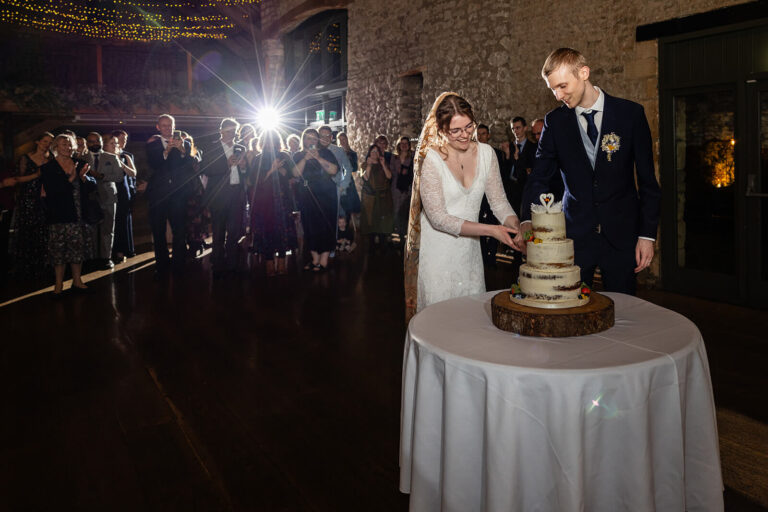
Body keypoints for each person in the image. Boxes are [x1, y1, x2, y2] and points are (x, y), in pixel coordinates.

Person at [514, 48, 661, 295]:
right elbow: (539, 175)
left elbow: (648, 182)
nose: (558, 96)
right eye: (553, 89)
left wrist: (647, 235)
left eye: (562, 86)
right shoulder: (555, 122)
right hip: (575, 237)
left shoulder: (630, 114)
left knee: (623, 308)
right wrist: (527, 219)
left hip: (622, 235)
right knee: (571, 306)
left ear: (584, 73)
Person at [403, 93, 519, 320]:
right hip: (437, 252)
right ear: (441, 130)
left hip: (469, 252)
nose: (465, 135)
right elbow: (438, 218)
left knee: (470, 319)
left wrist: (516, 226)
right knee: (439, 321)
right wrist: (491, 230)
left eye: (468, 127)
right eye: (455, 131)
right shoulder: (432, 159)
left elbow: (498, 201)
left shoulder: (487, 154)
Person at [39, 134, 96, 296]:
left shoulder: (80, 163)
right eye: (64, 144)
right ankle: (58, 284)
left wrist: (84, 178)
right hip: (59, 213)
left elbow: (93, 187)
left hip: (78, 214)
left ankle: (77, 280)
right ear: (56, 147)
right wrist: (71, 178)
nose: (68, 147)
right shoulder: (48, 167)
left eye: (70, 144)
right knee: (59, 251)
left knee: (77, 249)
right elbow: (51, 192)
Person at [146, 113, 201, 277]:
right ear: (158, 127)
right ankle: (162, 266)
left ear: (174, 126)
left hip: (178, 193)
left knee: (179, 230)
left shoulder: (185, 142)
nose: (167, 128)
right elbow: (153, 165)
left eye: (170, 125)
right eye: (164, 125)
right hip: (158, 194)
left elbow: (192, 165)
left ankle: (179, 265)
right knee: (158, 231)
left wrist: (182, 150)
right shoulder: (152, 143)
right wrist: (167, 150)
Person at [200, 118, 247, 278]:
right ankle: (218, 263)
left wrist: (243, 167)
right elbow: (205, 168)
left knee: (234, 231)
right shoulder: (211, 147)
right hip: (219, 194)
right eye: (228, 130)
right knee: (218, 231)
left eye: (234, 131)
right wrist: (226, 164)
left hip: (236, 193)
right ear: (221, 131)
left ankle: (232, 263)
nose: (231, 133)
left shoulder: (240, 147)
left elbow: (246, 172)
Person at [247, 130, 298, 277]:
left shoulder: (284, 156)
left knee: (283, 230)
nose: (270, 144)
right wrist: (271, 170)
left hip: (282, 200)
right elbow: (254, 181)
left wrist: (281, 169)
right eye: (267, 141)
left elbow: (292, 176)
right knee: (266, 231)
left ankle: (282, 261)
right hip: (264, 201)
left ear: (277, 141)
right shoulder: (258, 158)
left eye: (273, 140)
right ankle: (269, 262)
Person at [8, 132, 52, 281]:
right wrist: (35, 175)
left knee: (42, 232)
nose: (47, 144)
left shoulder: (51, 158)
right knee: (27, 231)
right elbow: (17, 179)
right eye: (45, 141)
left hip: (45, 200)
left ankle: (41, 267)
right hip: (27, 198)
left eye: (49, 142)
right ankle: (25, 268)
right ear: (37, 142)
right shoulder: (25, 158)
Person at [293, 128, 338, 271]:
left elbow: (333, 170)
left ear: (317, 140)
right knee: (309, 225)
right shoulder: (298, 155)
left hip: (326, 194)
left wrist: (318, 158)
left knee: (325, 225)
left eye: (314, 138)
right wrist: (305, 159)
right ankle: (315, 259)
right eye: (308, 138)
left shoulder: (326, 153)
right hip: (307, 194)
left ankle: (324, 260)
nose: (311, 141)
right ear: (303, 140)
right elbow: (295, 174)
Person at [359, 144, 393, 253]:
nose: (375, 154)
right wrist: (369, 165)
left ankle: (383, 248)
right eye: (372, 151)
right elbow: (365, 178)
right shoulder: (364, 164)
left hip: (383, 198)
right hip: (370, 198)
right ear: (369, 153)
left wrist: (383, 165)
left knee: (382, 224)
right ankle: (372, 249)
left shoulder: (383, 163)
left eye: (376, 152)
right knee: (371, 223)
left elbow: (389, 176)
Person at [112, 130, 137, 261]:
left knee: (125, 220)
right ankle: (114, 251)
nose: (124, 141)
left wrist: (133, 189)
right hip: (112, 189)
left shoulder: (128, 155)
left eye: (125, 139)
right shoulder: (107, 155)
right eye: (121, 138)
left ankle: (127, 249)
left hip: (125, 190)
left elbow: (133, 176)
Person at [391, 135, 414, 243]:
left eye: (406, 143)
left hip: (407, 189)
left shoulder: (413, 156)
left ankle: (406, 235)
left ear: (409, 145)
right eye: (402, 143)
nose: (404, 145)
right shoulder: (394, 157)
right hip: (396, 188)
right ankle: (400, 235)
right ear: (399, 145)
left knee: (406, 212)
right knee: (397, 211)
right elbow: (391, 172)